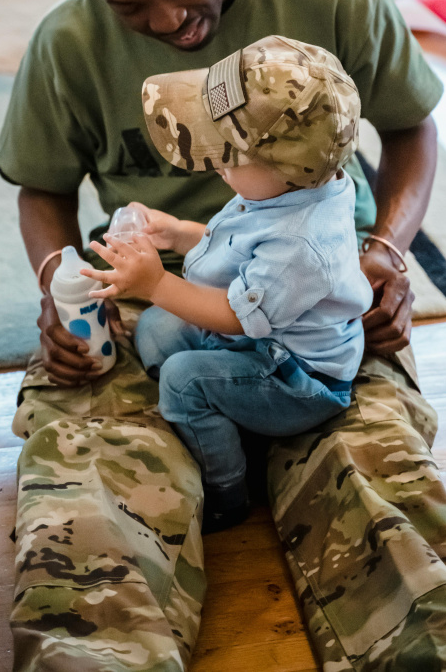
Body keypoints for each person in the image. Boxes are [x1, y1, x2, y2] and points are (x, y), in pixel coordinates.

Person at [0, 0, 446, 671]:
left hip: (326, 313)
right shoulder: (67, 43)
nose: (165, 21)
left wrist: (385, 257)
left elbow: (415, 127)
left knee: (385, 505)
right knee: (87, 526)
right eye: (130, 7)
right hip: (146, 292)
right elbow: (40, 188)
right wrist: (61, 287)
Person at [81, 36, 374, 534]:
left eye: (226, 153)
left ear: (284, 167)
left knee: (183, 376)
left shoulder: (301, 244)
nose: (216, 159)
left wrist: (155, 281)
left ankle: (228, 488)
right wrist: (179, 232)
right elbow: (241, 246)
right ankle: (209, 409)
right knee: (157, 327)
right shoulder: (294, 190)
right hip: (260, 332)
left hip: (298, 377)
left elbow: (238, 316)